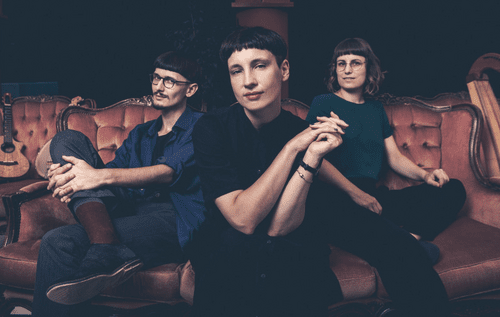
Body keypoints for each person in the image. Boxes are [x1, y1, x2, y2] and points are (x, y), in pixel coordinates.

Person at [31, 51, 205, 317]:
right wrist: (71, 174)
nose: (158, 87)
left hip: (174, 219)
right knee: (66, 139)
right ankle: (106, 243)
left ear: (190, 89)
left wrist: (96, 177)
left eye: (169, 81)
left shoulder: (203, 127)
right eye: (156, 78)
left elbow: (169, 172)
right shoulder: (141, 133)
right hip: (130, 209)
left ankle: (105, 245)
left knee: (58, 241)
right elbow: (112, 172)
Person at [307, 37, 466, 317]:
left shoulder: (376, 110)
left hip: (373, 196)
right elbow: (314, 161)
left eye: (355, 63)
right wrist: (357, 195)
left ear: (369, 69)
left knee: (453, 189)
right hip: (337, 199)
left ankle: (410, 238)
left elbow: (394, 158)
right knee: (395, 249)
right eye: (341, 63)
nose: (347, 69)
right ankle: (405, 246)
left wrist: (425, 175)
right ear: (334, 70)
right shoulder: (323, 103)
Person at [190, 27, 343, 317]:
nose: (248, 81)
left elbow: (280, 227)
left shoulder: (300, 132)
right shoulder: (211, 128)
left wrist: (311, 156)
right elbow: (243, 220)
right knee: (235, 252)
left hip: (288, 242)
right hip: (228, 245)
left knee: (290, 257)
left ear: (283, 70)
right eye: (236, 71)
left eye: (259, 66)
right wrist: (291, 149)